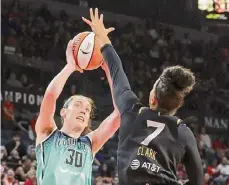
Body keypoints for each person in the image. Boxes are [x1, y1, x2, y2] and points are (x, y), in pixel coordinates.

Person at [82, 8, 204, 185]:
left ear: (153, 98)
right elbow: (198, 181)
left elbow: (117, 73)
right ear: (176, 106)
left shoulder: (132, 112)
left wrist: (103, 37)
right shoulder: (183, 132)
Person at [35, 40, 120, 185]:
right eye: (78, 105)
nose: (83, 110)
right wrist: (70, 67)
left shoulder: (90, 143)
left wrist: (108, 70)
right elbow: (50, 96)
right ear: (63, 112)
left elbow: (118, 114)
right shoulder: (47, 134)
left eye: (87, 110)